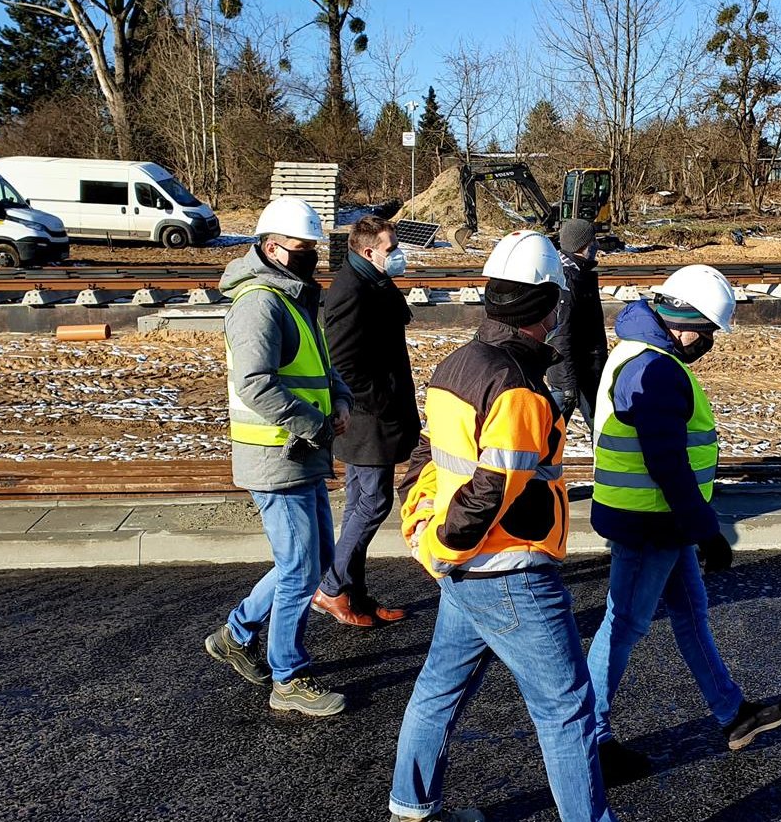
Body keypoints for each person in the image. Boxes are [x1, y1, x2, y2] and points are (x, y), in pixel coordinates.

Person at [388, 231, 617, 822]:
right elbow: (492, 488)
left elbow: (423, 460)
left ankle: (412, 809)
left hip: (467, 572)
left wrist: (428, 537)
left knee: (439, 689)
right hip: (508, 569)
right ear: (550, 307)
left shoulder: (457, 365)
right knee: (567, 709)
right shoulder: (519, 387)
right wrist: (447, 542)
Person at [584, 264, 781, 783]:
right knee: (624, 626)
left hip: (663, 521)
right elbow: (667, 463)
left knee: (691, 613)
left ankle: (735, 714)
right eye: (707, 333)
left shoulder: (644, 353)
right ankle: (588, 739)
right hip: (649, 522)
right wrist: (706, 528)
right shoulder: (653, 369)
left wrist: (695, 525)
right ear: (683, 318)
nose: (710, 344)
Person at [204, 196, 354, 717]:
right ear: (271, 247)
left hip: (301, 451)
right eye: (302, 248)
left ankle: (237, 633)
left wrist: (340, 400)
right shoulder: (260, 303)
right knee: (299, 568)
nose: (311, 255)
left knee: (312, 563)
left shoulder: (293, 296)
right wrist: (314, 422)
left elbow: (316, 366)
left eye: (313, 248)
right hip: (278, 457)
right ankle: (287, 678)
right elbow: (255, 383)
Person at [314, 218, 420, 627]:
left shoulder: (370, 279)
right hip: (366, 419)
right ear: (367, 251)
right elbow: (342, 362)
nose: (397, 254)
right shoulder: (350, 291)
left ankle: (352, 596)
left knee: (361, 504)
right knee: (374, 503)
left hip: (372, 416)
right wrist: (380, 402)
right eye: (390, 248)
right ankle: (330, 588)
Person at [548, 217, 607, 428]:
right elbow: (560, 335)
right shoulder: (568, 281)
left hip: (585, 370)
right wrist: (566, 384)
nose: (597, 245)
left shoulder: (578, 274)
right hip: (574, 374)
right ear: (581, 246)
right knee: (550, 433)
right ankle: (538, 461)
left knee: (602, 428)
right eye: (593, 241)